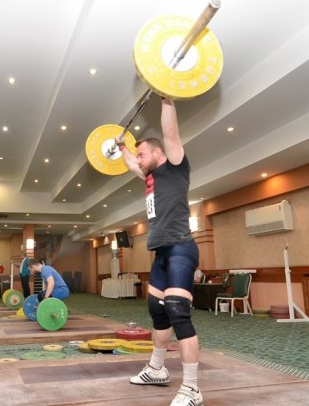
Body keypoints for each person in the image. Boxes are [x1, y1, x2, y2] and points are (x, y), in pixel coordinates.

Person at [117, 97, 203, 406]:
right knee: (157, 312)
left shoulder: (176, 167)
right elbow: (132, 166)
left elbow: (171, 133)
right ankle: (156, 369)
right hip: (161, 255)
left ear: (158, 153)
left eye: (142, 154)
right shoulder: (150, 177)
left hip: (181, 247)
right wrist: (124, 149)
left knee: (178, 312)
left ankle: (192, 388)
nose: (139, 160)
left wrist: (167, 97)